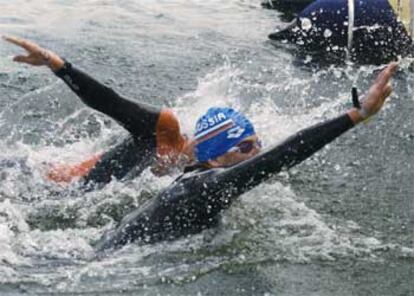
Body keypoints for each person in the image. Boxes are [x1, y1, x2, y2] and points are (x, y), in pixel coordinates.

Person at [3, 36, 398, 252]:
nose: (255, 153)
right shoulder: (190, 164)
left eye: (256, 142)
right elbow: (283, 156)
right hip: (50, 209)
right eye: (245, 148)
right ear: (217, 154)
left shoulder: (191, 180)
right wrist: (358, 114)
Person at [3, 36, 196, 190]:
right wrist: (57, 64)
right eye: (211, 149)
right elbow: (109, 102)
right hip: (35, 182)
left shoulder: (188, 172)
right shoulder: (163, 129)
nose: (212, 159)